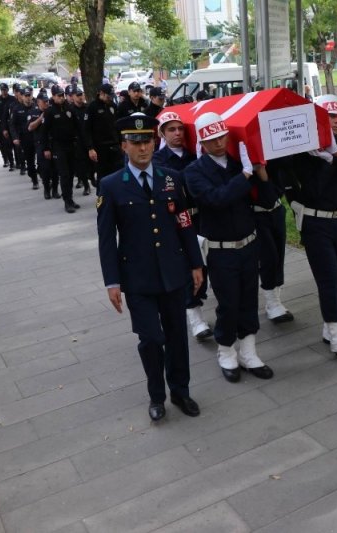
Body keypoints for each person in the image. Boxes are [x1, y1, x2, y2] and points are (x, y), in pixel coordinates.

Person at [96, 113, 204, 422]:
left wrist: (196, 263)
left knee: (177, 336)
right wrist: (112, 282)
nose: (143, 148)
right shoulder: (112, 185)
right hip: (138, 278)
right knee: (152, 339)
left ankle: (180, 392)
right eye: (136, 142)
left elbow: (184, 223)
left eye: (147, 142)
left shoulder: (171, 178)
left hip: (173, 272)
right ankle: (156, 395)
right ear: (124, 146)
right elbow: (106, 239)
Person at [184, 112, 275, 383]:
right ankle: (226, 351)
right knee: (228, 302)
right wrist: (246, 174)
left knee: (249, 299)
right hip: (219, 249)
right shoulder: (194, 171)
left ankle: (248, 351)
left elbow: (268, 201)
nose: (219, 143)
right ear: (202, 141)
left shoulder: (238, 164)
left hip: (248, 243)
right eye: (212, 138)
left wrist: (261, 172)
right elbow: (217, 199)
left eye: (222, 136)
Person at [277, 94, 337, 355]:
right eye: (330, 116)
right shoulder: (300, 144)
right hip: (314, 220)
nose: (336, 121)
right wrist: (293, 202)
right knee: (327, 275)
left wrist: (336, 152)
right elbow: (282, 171)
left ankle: (330, 327)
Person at [152, 112, 214, 340]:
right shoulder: (158, 160)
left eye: (180, 129)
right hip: (179, 220)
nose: (177, 133)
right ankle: (195, 317)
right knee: (189, 267)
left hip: (202, 217)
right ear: (162, 133)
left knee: (206, 265)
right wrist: (197, 167)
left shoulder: (192, 154)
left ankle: (201, 303)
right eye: (171, 129)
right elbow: (172, 183)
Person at [42, 85, 83, 213]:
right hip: (58, 147)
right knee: (64, 174)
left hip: (71, 145)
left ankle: (70, 198)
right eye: (58, 96)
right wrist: (46, 148)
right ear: (53, 96)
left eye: (62, 95)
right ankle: (67, 202)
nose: (61, 98)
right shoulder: (49, 112)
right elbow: (44, 132)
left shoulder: (69, 108)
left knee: (71, 174)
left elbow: (77, 126)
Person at [86, 83, 123, 181]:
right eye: (108, 96)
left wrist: (121, 142)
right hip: (100, 148)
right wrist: (90, 148)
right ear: (101, 93)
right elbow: (87, 129)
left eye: (111, 96)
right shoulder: (92, 107)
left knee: (118, 174)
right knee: (103, 176)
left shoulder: (113, 106)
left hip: (115, 146)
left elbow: (118, 126)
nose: (110, 98)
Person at [28, 93, 57, 199]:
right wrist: (40, 118)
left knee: (55, 169)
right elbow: (30, 127)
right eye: (44, 101)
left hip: (52, 143)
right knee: (45, 169)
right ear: (38, 102)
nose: (46, 103)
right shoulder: (33, 112)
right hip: (40, 144)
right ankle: (46, 189)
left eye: (47, 101)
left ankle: (55, 190)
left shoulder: (52, 111)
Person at [10, 88, 39, 188]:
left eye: (29, 95)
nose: (27, 98)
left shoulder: (36, 107)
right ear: (21, 97)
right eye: (25, 96)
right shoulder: (17, 109)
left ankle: (45, 178)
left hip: (37, 138)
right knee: (30, 163)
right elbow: (12, 125)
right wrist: (15, 137)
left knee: (42, 161)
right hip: (25, 139)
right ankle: (34, 180)